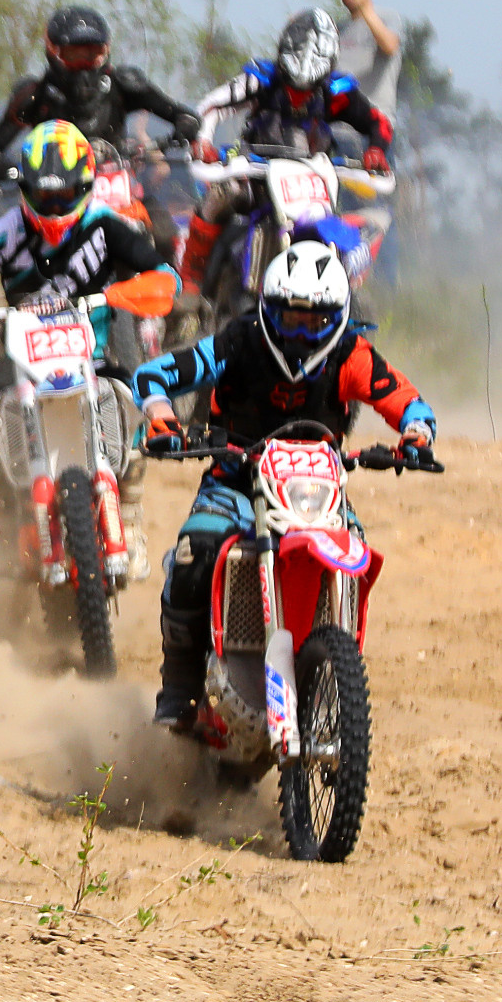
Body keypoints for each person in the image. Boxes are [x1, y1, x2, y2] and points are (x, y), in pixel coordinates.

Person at [132, 239, 434, 730]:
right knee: (194, 552)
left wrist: (417, 433)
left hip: (316, 489)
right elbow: (156, 374)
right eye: (290, 318)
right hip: (234, 479)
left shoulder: (351, 353)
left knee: (354, 554)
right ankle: (181, 685)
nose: (302, 331)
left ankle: (336, 671)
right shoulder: (241, 339)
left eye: (315, 320)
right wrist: (162, 417)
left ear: (338, 315)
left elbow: (404, 398)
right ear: (268, 309)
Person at [0, 121, 173, 547]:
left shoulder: (107, 224)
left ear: (86, 185)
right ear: (25, 188)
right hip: (20, 360)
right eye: (45, 196)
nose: (56, 209)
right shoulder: (7, 230)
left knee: (135, 406)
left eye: (65, 196)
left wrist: (131, 291)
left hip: (91, 354)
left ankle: (128, 512)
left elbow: (162, 273)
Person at [174, 10, 397, 291]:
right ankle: (191, 277)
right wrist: (202, 141)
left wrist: (376, 150)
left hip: (311, 182)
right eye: (292, 85)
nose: (297, 95)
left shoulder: (337, 91)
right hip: (254, 176)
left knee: (340, 227)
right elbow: (211, 106)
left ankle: (341, 292)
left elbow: (378, 122)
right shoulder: (261, 78)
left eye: (306, 90)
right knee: (223, 192)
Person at [0, 5, 202, 183]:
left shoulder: (124, 86)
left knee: (162, 234)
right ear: (53, 52)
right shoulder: (33, 97)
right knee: (5, 243)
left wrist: (171, 140)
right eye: (73, 55)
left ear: (106, 51)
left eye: (91, 54)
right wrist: (19, 174)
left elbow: (187, 118)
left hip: (117, 189)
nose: (83, 66)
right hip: (49, 199)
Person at [332, 0, 403, 111]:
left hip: (375, 123)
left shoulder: (388, 18)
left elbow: (390, 46)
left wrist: (364, 8)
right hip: (338, 123)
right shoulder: (336, 28)